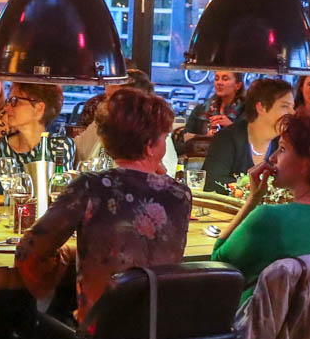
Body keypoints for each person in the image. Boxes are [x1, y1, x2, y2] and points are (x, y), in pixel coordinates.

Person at [17, 88, 192, 321]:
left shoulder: (91, 186)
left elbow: (29, 250)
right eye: (164, 137)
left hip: (100, 334)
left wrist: (66, 259)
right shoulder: (180, 194)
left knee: (29, 317)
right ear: (150, 146)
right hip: (160, 332)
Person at [209, 110, 310, 292]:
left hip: (260, 311)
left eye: (282, 149)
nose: (272, 158)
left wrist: (252, 201)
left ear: (308, 162)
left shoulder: (269, 218)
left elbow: (218, 266)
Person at [0, 82, 74, 192]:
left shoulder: (60, 146)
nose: (7, 108)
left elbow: (60, 194)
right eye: (9, 100)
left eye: (15, 101)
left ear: (39, 109)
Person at [202, 77, 293, 191]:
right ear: (261, 107)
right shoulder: (227, 139)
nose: (292, 112)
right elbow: (212, 182)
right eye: (285, 106)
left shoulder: (286, 144)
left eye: (292, 107)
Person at [181, 72, 244, 140]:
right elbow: (184, 139)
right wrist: (205, 138)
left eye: (225, 79)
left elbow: (249, 141)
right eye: (216, 79)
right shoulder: (200, 110)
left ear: (238, 85)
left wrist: (232, 127)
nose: (219, 83)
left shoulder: (245, 111)